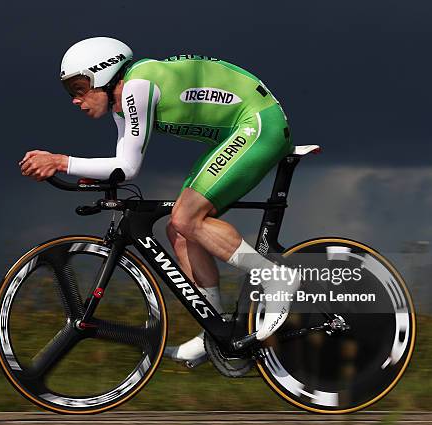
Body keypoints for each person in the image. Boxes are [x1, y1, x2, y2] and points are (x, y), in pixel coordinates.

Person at [19, 37, 300, 366]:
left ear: (104, 74)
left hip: (259, 124)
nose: (75, 100)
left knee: (186, 218)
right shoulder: (122, 102)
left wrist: (60, 161)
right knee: (180, 232)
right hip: (241, 129)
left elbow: (127, 168)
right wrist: (69, 168)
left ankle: (274, 277)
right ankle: (216, 330)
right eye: (70, 92)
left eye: (80, 87)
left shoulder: (137, 87)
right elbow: (122, 167)